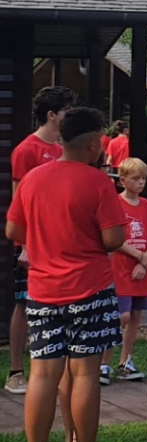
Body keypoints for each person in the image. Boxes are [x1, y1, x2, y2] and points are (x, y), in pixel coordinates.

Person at [4, 107, 125, 442]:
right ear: (91, 145)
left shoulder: (33, 180)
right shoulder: (98, 183)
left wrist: (44, 238)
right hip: (89, 287)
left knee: (42, 373)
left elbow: (13, 232)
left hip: (42, 290)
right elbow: (113, 238)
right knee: (85, 373)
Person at [6, 86, 75, 396]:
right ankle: (15, 372)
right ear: (52, 115)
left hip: (61, 242)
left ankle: (53, 369)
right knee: (24, 304)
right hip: (33, 243)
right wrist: (26, 246)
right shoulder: (26, 150)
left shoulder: (65, 149)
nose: (69, 117)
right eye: (66, 111)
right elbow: (20, 202)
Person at [101, 157, 147, 384]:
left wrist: (146, 261)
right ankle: (104, 363)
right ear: (123, 181)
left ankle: (126, 360)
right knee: (121, 315)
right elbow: (114, 239)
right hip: (120, 268)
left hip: (141, 270)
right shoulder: (115, 204)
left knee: (135, 315)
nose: (140, 183)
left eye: (143, 178)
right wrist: (138, 257)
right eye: (135, 178)